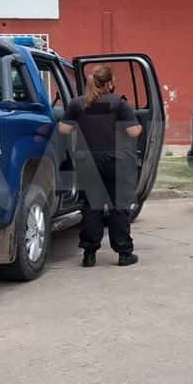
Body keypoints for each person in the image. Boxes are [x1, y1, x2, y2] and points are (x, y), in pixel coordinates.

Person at [59, 66, 142, 268]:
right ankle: (124, 253)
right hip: (116, 162)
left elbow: (63, 128)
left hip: (88, 161)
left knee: (91, 207)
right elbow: (134, 132)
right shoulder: (118, 103)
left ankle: (89, 254)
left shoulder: (78, 103)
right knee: (119, 208)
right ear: (109, 82)